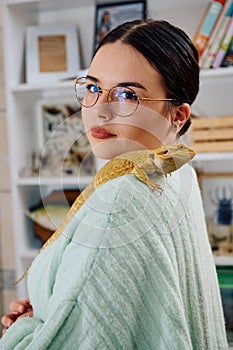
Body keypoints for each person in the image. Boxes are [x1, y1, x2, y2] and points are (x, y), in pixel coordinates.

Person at [0, 19, 228, 349]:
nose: (99, 110)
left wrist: (25, 331)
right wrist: (59, 307)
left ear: (177, 116)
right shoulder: (174, 169)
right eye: (92, 88)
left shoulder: (118, 205)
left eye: (126, 94)